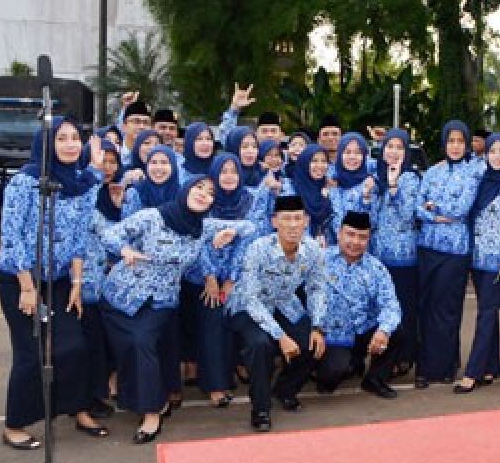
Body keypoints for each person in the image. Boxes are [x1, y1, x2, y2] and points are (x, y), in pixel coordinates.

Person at [100, 177, 250, 443]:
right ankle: (142, 397)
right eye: (199, 189)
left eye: (210, 193)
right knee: (129, 349)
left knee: (141, 343)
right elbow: (110, 234)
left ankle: (151, 412)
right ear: (185, 190)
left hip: (161, 301)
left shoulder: (203, 227)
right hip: (121, 296)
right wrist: (125, 250)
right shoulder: (152, 217)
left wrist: (230, 233)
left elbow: (250, 226)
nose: (204, 195)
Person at [0, 118, 107, 449]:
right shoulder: (25, 182)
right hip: (21, 278)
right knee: (30, 353)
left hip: (59, 279)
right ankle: (14, 424)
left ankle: (79, 409)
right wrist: (28, 288)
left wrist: (76, 282)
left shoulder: (84, 182)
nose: (71, 145)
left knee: (74, 346)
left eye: (76, 138)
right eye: (62, 139)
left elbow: (80, 238)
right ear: (46, 144)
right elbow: (12, 238)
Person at [225, 194, 329, 432]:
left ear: (306, 221)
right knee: (260, 345)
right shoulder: (257, 249)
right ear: (274, 222)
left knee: (314, 343)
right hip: (247, 307)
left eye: (297, 218)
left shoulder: (313, 249)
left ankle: (285, 389)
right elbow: (251, 298)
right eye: (286, 219)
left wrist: (317, 326)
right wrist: (281, 336)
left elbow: (317, 288)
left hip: (284, 303)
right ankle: (260, 409)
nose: (292, 225)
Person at [184, 153, 264, 407]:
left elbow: (251, 237)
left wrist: (231, 279)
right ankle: (215, 385)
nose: (229, 176)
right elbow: (198, 240)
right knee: (212, 325)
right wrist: (210, 277)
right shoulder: (205, 200)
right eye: (223, 171)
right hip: (204, 277)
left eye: (234, 171)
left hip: (238, 275)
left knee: (233, 324)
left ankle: (230, 374)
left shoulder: (250, 200)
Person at [414, 121, 480, 388]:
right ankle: (425, 367)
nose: (455, 146)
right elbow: (417, 207)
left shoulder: (473, 172)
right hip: (428, 247)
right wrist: (432, 213)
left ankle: (446, 366)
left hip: (455, 251)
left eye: (460, 142)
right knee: (427, 307)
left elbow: (460, 209)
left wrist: (434, 208)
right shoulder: (431, 172)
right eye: (450, 141)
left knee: (447, 308)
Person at [457, 134, 500, 393]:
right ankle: (490, 366)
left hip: (498, 260)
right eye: (492, 151)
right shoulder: (480, 179)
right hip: (477, 257)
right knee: (489, 313)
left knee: (485, 313)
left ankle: (472, 371)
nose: (496, 156)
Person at [315, 211, 401, 396]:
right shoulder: (319, 260)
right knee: (330, 377)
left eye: (362, 237)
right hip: (332, 334)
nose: (355, 242)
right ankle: (338, 366)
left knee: (396, 330)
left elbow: (391, 304)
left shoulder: (376, 268)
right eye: (350, 234)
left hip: (362, 330)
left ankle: (374, 379)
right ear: (339, 233)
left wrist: (383, 331)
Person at [369, 128, 421, 380]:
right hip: (379, 256)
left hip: (404, 257)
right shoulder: (375, 176)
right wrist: (370, 194)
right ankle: (382, 357)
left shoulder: (410, 178)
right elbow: (371, 220)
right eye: (389, 147)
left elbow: (408, 215)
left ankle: (404, 356)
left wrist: (393, 187)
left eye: (399, 148)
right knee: (381, 310)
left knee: (403, 308)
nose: (393, 152)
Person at [80, 139, 124, 419]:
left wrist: (120, 207)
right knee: (87, 343)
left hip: (112, 283)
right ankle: (87, 398)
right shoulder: (82, 189)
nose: (106, 167)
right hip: (83, 282)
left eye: (112, 161)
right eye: (101, 161)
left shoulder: (121, 192)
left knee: (107, 341)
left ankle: (103, 389)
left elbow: (122, 234)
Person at [288, 145, 336, 245]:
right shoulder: (289, 191)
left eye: (324, 161)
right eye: (314, 161)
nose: (320, 165)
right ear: (304, 163)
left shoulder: (332, 189)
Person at [329, 132, 376, 230]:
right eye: (347, 152)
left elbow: (374, 223)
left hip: (363, 242)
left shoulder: (371, 184)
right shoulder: (331, 184)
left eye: (358, 152)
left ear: (364, 156)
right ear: (340, 155)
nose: (352, 157)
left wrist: (366, 197)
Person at [121, 145, 179, 217]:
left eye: (164, 162)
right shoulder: (134, 193)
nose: (158, 167)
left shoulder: (183, 194)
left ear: (173, 166)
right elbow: (127, 224)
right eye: (153, 162)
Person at [118, 99, 152, 166]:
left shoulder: (154, 155)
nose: (142, 127)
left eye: (146, 122)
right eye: (136, 121)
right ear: (124, 126)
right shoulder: (115, 153)